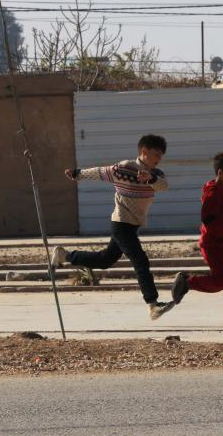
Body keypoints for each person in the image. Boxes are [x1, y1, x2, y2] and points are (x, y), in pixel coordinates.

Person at [51, 134, 173, 320]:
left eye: (161, 156)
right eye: (156, 154)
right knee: (140, 261)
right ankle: (153, 305)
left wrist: (150, 178)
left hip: (132, 225)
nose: (158, 159)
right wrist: (77, 174)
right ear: (144, 151)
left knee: (104, 260)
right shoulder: (124, 168)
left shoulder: (156, 174)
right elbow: (100, 172)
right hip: (121, 222)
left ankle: (64, 255)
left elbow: (164, 186)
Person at [167, 151, 223, 325]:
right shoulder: (212, 194)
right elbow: (208, 222)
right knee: (220, 281)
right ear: (221, 173)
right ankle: (187, 281)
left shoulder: (222, 190)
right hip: (213, 245)